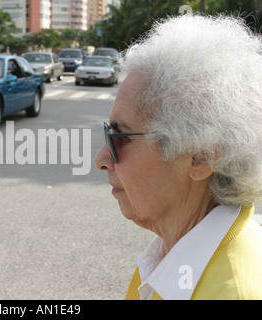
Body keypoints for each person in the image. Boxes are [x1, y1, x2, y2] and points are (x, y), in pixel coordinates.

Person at [94, 14, 262, 300]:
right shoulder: (177, 252)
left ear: (201, 157)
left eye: (119, 137)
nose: (100, 159)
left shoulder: (231, 292)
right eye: (107, 132)